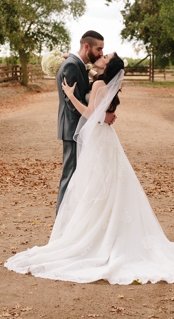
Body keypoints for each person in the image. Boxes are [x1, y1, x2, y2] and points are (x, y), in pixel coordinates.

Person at [5, 53, 174, 284]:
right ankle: (107, 230)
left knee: (97, 183)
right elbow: (95, 83)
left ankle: (97, 234)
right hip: (107, 137)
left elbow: (90, 114)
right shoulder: (104, 81)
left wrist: (70, 95)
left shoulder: (99, 83)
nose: (101, 55)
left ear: (107, 66)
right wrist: (73, 58)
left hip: (99, 136)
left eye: (105, 56)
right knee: (107, 184)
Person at [54, 31, 115, 213]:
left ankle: (72, 219)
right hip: (72, 128)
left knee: (77, 176)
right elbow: (72, 102)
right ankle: (62, 221)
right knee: (70, 176)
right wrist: (100, 117)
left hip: (79, 128)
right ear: (87, 46)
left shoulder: (78, 64)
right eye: (99, 49)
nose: (101, 53)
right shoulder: (72, 65)